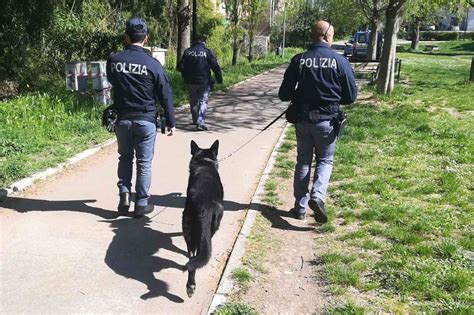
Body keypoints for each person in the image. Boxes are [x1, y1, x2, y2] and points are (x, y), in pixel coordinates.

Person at [278, 20, 357, 222]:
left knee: (303, 162)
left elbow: (284, 94)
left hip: (303, 120)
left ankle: (300, 208)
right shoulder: (340, 62)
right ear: (328, 36)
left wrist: (300, 94)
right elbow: (350, 97)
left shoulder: (299, 60)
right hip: (327, 122)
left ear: (313, 36)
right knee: (325, 160)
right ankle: (318, 196)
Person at [106, 17, 176, 218]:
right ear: (146, 39)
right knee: (144, 163)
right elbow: (165, 93)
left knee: (125, 157)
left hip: (122, 119)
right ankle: (141, 204)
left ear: (126, 37)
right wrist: (170, 121)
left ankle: (124, 194)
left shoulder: (114, 60)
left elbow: (112, 80)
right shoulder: (153, 64)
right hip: (146, 120)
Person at [178, 38, 223, 131]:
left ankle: (195, 120)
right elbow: (215, 66)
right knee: (203, 101)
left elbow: (180, 67)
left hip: (190, 82)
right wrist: (219, 80)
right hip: (204, 82)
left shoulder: (187, 52)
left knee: (193, 101)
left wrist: (185, 77)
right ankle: (200, 122)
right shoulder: (207, 52)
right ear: (203, 43)